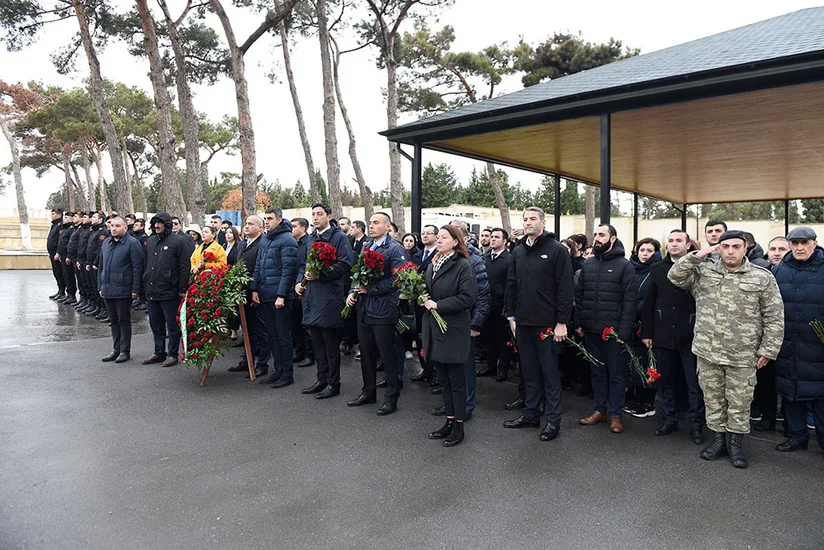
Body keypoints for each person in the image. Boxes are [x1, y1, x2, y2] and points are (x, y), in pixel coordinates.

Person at [668, 230, 784, 468]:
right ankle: (718, 441)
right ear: (718, 248)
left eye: (735, 246)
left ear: (745, 249)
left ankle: (735, 445)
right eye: (725, 246)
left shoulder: (761, 277)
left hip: (743, 355)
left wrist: (768, 350)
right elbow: (675, 276)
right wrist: (696, 255)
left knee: (740, 402)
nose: (730, 251)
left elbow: (774, 316)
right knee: (713, 400)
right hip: (708, 351)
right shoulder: (704, 272)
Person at [503, 207, 574, 441]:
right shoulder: (518, 251)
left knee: (550, 373)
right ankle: (531, 414)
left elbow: (565, 288)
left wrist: (562, 321)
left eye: (532, 219)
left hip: (547, 324)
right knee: (529, 371)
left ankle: (553, 420)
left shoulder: (556, 251)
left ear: (543, 223)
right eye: (525, 219)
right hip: (523, 322)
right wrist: (511, 316)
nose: (528, 222)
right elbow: (511, 284)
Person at [641, 230, 705, 444]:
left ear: (688, 245)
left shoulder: (700, 266)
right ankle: (668, 420)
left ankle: (695, 425)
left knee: (693, 383)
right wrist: (647, 333)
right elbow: (649, 301)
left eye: (679, 241)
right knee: (665, 380)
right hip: (663, 333)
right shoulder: (657, 268)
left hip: (691, 335)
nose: (674, 244)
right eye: (671, 241)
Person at [575, 224, 637, 434]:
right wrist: (579, 323)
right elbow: (580, 296)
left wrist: (624, 332)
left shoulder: (625, 266)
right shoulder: (589, 264)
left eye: (602, 235)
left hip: (614, 333)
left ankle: (615, 414)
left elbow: (630, 302)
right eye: (595, 235)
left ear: (613, 239)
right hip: (591, 330)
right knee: (597, 372)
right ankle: (599, 410)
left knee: (616, 375)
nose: (597, 238)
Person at [346, 213, 408, 415]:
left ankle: (391, 397)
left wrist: (370, 289)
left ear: (388, 226)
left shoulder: (395, 249)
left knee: (387, 355)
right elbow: (358, 275)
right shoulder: (366, 247)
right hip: (364, 309)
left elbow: (398, 280)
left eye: (376, 223)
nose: (371, 226)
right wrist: (352, 293)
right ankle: (368, 391)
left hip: (383, 310)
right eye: (370, 223)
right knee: (367, 353)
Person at [423, 225, 478, 447]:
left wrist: (438, 305)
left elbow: (468, 298)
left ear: (456, 241)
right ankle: (449, 420)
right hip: (435, 328)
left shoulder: (463, 265)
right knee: (443, 380)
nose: (439, 240)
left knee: (456, 381)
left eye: (444, 237)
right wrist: (422, 297)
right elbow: (429, 289)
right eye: (438, 237)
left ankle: (459, 427)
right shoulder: (433, 263)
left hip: (453, 328)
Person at [772, 227, 824, 452]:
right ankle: (797, 436)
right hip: (787, 341)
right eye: (795, 243)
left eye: (804, 243)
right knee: (790, 389)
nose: (799, 247)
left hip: (816, 343)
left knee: (820, 394)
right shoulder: (780, 269)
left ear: (815, 243)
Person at [296, 203, 355, 399]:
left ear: (329, 216)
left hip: (329, 296)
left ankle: (333, 382)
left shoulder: (339, 237)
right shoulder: (312, 238)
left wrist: (322, 274)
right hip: (312, 296)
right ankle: (321, 379)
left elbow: (346, 263)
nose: (315, 217)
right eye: (313, 214)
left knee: (330, 344)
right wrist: (299, 283)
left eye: (319, 214)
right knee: (317, 343)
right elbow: (304, 265)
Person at [251, 207, 299, 389]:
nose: (267, 222)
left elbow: (288, 271)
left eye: (270, 218)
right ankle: (277, 370)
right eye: (265, 218)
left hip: (280, 297)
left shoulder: (287, 240)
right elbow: (258, 265)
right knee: (272, 335)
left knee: (283, 335)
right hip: (265, 294)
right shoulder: (265, 239)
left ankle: (287, 373)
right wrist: (254, 288)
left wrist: (281, 295)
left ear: (279, 220)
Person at [142, 212, 193, 369]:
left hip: (170, 290)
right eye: (155, 223)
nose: (157, 226)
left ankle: (172, 354)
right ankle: (159, 351)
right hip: (152, 289)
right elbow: (146, 263)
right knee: (155, 324)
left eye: (160, 223)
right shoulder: (150, 242)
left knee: (172, 325)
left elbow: (185, 266)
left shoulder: (179, 241)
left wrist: (182, 287)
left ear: (167, 224)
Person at [752, 236, 792, 431]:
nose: (776, 253)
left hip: (791, 335)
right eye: (773, 248)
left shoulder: (794, 273)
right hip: (765, 336)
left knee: (788, 379)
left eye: (782, 249)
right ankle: (768, 416)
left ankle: (788, 420)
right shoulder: (761, 273)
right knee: (766, 381)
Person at [624, 237, 662, 418]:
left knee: (649, 363)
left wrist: (633, 310)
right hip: (630, 325)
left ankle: (647, 401)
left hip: (647, 325)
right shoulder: (630, 269)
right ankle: (634, 398)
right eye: (642, 250)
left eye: (649, 251)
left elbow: (651, 300)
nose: (645, 254)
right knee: (633, 362)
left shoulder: (656, 271)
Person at [98, 216, 143, 364]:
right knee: (113, 320)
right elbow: (101, 266)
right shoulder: (106, 243)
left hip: (124, 289)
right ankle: (116, 349)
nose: (114, 228)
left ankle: (125, 350)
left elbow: (137, 268)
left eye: (118, 226)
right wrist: (100, 285)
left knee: (123, 320)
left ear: (125, 228)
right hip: (107, 288)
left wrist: (135, 289)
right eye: (112, 226)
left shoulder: (132, 243)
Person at [227, 215, 266, 375]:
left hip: (255, 293)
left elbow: (259, 269)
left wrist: (254, 288)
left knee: (259, 330)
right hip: (240, 292)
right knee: (247, 329)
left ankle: (262, 363)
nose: (247, 226)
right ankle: (247, 359)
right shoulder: (242, 244)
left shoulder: (263, 244)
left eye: (251, 224)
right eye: (246, 223)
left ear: (260, 228)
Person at [480, 228, 512, 381]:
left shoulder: (509, 259)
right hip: (486, 303)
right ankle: (490, 365)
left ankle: (503, 368)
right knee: (488, 336)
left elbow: (510, 284)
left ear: (504, 241)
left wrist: (507, 306)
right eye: (491, 237)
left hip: (501, 305)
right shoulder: (484, 257)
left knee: (501, 338)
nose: (492, 239)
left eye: (496, 237)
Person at [410, 225, 439, 383]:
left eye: (429, 233)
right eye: (423, 233)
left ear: (436, 236)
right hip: (418, 302)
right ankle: (426, 368)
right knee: (420, 336)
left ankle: (436, 373)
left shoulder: (438, 255)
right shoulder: (417, 255)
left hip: (432, 302)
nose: (425, 236)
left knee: (432, 337)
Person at [289, 217, 315, 369]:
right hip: (294, 286)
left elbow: (306, 265)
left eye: (294, 226)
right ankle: (299, 351)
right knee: (295, 323)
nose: (291, 229)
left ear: (303, 228)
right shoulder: (292, 243)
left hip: (305, 287)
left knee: (306, 324)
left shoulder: (308, 243)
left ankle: (310, 354)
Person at [83, 211, 109, 318]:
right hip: (91, 262)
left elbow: (100, 249)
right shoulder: (94, 230)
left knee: (99, 288)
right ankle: (96, 306)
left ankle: (103, 309)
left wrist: (95, 263)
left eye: (94, 217)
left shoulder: (102, 231)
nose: (91, 219)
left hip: (97, 264)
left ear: (100, 220)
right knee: (93, 286)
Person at [55, 211, 77, 305]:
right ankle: (68, 295)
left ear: (71, 219)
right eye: (64, 217)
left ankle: (72, 296)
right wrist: (59, 253)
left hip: (67, 256)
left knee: (69, 276)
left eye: (67, 218)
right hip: (62, 256)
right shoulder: (66, 228)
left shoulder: (71, 229)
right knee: (65, 276)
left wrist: (68, 256)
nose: (64, 219)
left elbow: (70, 244)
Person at [74, 211, 93, 313]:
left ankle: (93, 304)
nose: (82, 219)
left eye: (85, 217)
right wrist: (78, 259)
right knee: (82, 282)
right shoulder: (83, 229)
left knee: (91, 285)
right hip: (81, 260)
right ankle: (85, 300)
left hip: (87, 261)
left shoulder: (91, 230)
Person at [47, 208, 66, 300]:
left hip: (56, 253)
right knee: (56, 272)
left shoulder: (60, 225)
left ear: (59, 215)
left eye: (54, 214)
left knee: (60, 272)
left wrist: (58, 252)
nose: (52, 215)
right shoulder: (54, 225)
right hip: (52, 252)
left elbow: (60, 240)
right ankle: (60, 290)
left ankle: (63, 292)